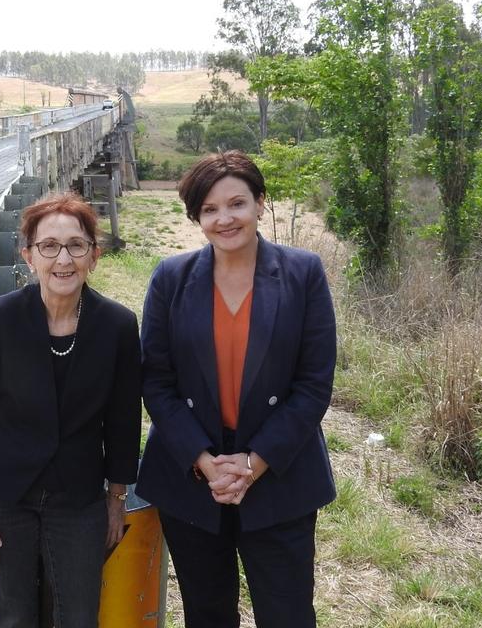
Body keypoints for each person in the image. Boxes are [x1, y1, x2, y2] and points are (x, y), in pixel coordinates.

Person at [136, 151, 337, 628]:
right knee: (206, 614)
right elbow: (157, 382)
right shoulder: (171, 278)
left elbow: (313, 385)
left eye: (236, 203)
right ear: (196, 218)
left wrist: (253, 463)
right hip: (191, 476)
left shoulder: (303, 273)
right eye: (209, 209)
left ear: (260, 203)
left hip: (278, 474)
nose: (224, 218)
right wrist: (205, 462)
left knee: (287, 613)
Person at [0, 192, 142, 628]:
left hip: (79, 499)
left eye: (76, 246)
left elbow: (123, 420)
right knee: (14, 617)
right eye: (49, 246)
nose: (63, 259)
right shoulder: (1, 319)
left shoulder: (116, 325)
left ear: (94, 256)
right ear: (28, 255)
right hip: (6, 498)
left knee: (78, 617)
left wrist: (116, 500)